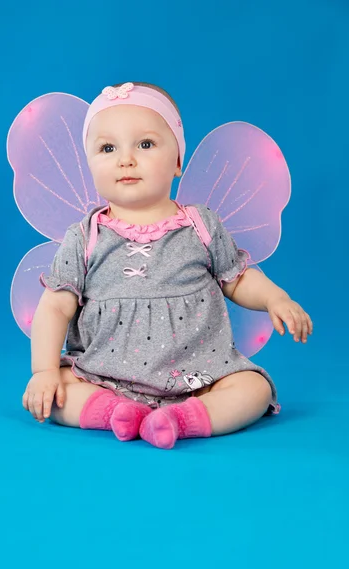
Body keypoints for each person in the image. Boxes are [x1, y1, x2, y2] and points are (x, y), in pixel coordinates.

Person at [22, 81, 313, 450]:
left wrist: (275, 298)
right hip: (103, 375)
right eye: (108, 148)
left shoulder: (201, 226)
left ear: (177, 160)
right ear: (91, 165)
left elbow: (237, 279)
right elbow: (55, 306)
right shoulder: (85, 236)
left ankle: (183, 418)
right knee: (58, 394)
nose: (126, 159)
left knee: (253, 389)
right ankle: (114, 412)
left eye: (145, 144)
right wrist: (44, 371)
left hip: (199, 374)